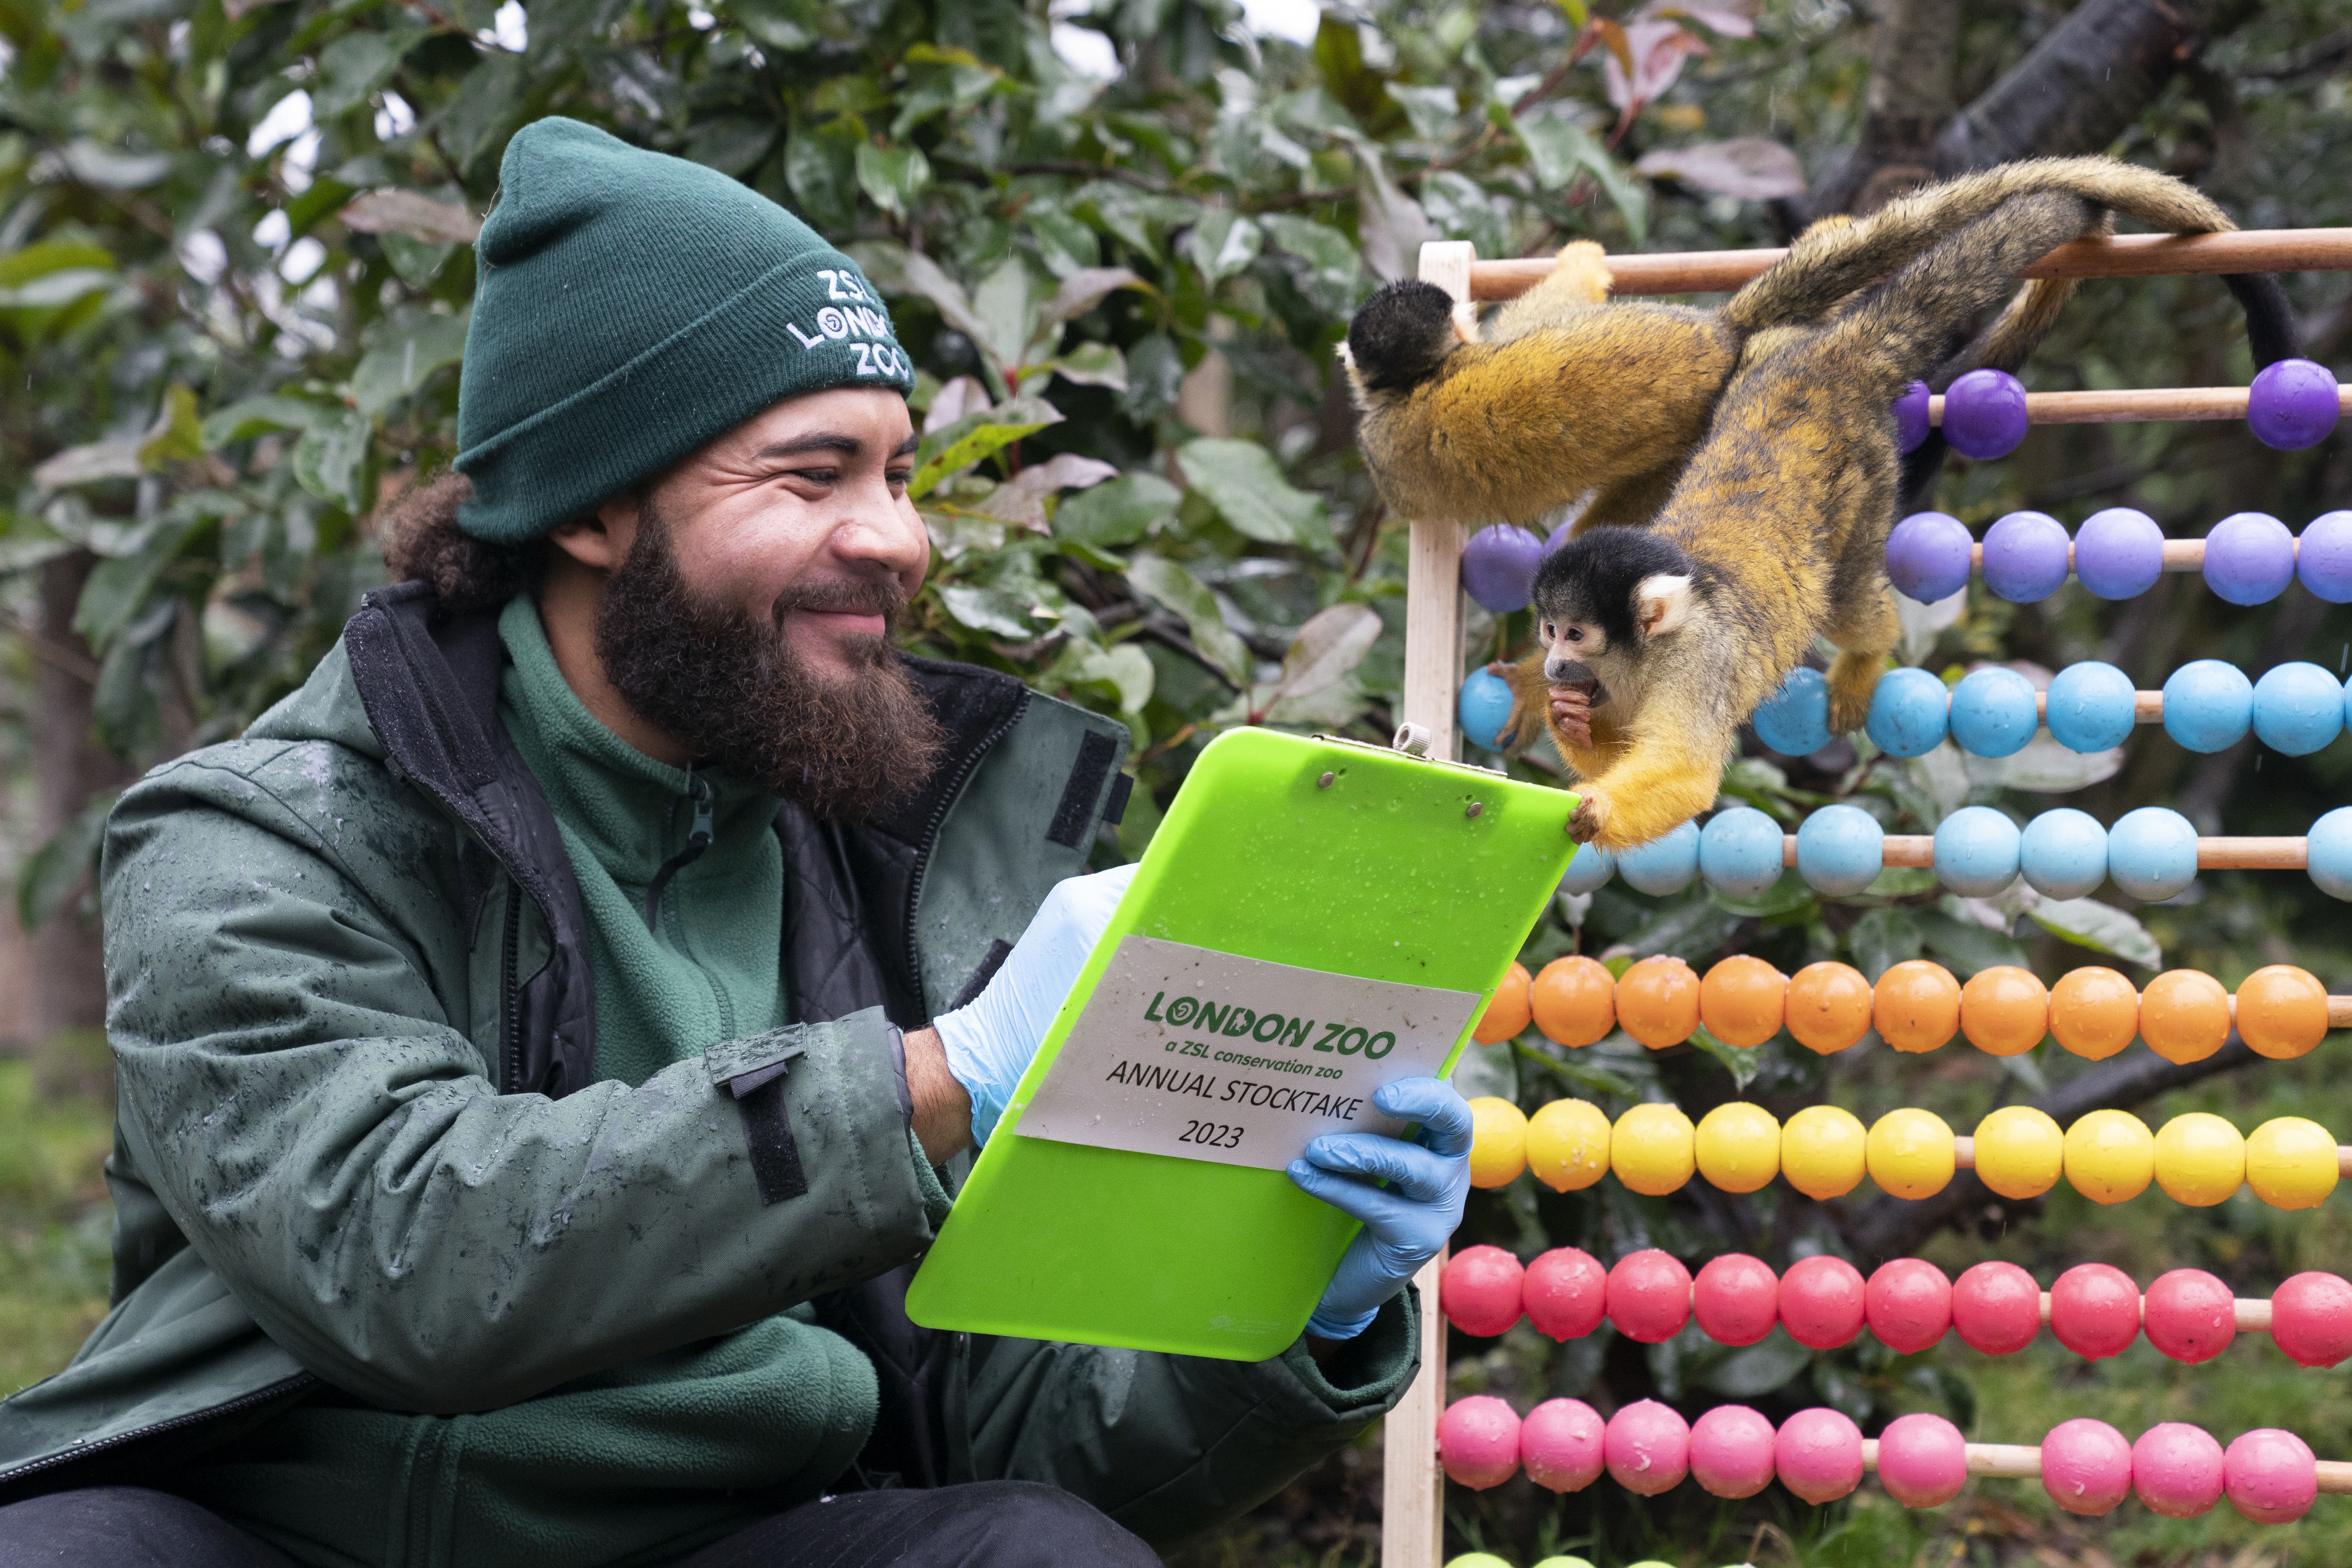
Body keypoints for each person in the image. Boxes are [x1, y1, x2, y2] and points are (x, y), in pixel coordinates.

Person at [0, 118, 1471, 1568]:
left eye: (895, 475)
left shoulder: (894, 858)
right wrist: (932, 1077)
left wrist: (1302, 1306)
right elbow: (401, 1254)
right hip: (279, 1529)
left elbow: (1009, 1439)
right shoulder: (256, 840)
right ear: (589, 503)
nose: (896, 537)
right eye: (807, 474)